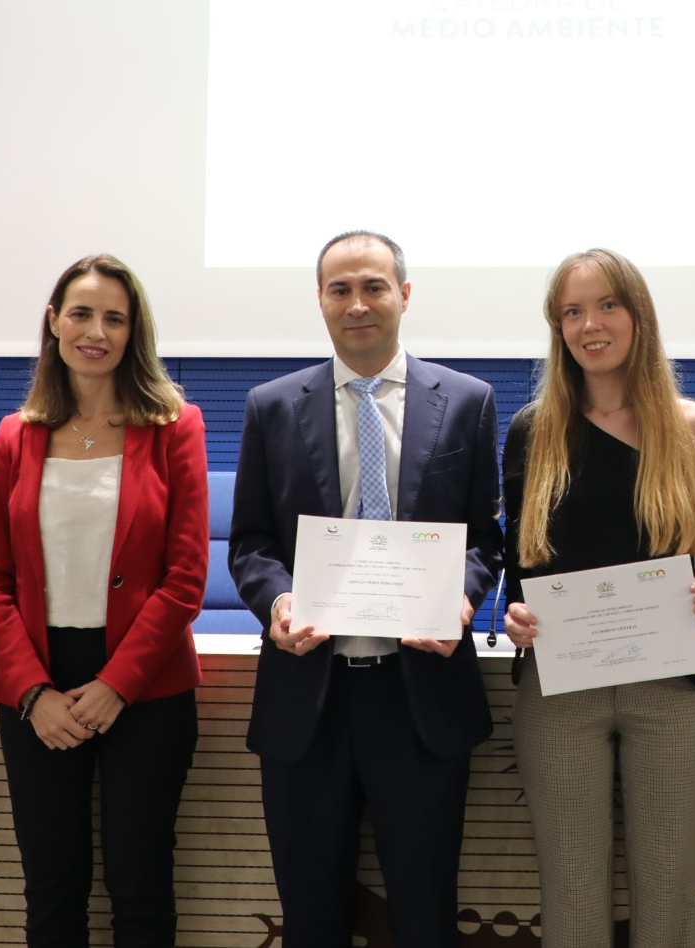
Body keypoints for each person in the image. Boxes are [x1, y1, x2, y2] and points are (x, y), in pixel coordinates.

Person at [228, 230, 502, 946]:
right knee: (312, 914)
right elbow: (252, 544)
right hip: (308, 694)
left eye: (373, 287)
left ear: (403, 295)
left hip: (418, 695)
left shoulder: (467, 402)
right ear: (320, 300)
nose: (358, 304)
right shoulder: (271, 406)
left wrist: (462, 597)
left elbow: (485, 540)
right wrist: (277, 600)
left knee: (423, 909)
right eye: (340, 289)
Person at [0, 254, 208, 947]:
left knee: (139, 887)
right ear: (53, 323)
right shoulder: (17, 434)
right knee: (52, 889)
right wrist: (29, 692)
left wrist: (115, 685)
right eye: (80, 313)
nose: (95, 331)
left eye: (114, 317)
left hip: (147, 683)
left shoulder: (175, 426)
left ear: (134, 333)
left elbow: (185, 577)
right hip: (36, 686)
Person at [500, 248, 695, 947]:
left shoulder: (690, 426)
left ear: (637, 316)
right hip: (559, 685)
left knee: (669, 890)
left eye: (605, 306)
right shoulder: (531, 431)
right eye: (571, 311)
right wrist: (510, 616)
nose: (589, 324)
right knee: (570, 890)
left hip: (671, 685)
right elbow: (519, 565)